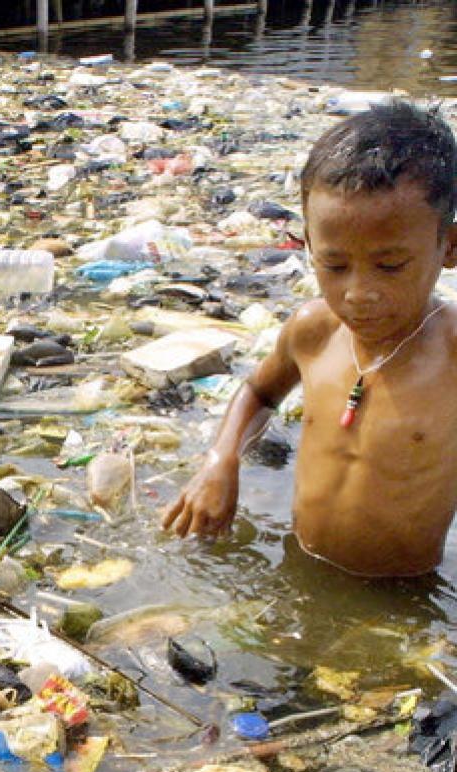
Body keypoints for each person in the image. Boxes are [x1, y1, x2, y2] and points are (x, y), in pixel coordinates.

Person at [162, 100, 457, 577]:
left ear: (449, 247)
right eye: (335, 266)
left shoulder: (451, 352)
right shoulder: (313, 330)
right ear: (308, 245)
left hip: (401, 594)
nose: (359, 294)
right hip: (297, 565)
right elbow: (258, 391)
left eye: (390, 266)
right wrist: (221, 460)